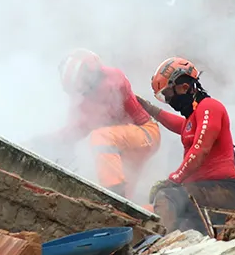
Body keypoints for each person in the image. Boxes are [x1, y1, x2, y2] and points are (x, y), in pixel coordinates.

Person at [137, 57, 235, 233]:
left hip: (222, 189)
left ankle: (163, 244)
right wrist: (151, 109)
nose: (169, 100)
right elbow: (181, 126)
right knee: (179, 221)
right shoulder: (194, 117)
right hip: (204, 189)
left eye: (168, 94)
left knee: (167, 197)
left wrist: (173, 180)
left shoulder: (209, 107)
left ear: (184, 87)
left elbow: (200, 150)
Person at [35, 50, 161, 200]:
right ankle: (118, 202)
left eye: (84, 84)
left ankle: (113, 196)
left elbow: (84, 126)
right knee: (126, 199)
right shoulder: (86, 101)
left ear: (93, 75)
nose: (83, 92)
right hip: (126, 146)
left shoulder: (113, 81)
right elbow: (72, 132)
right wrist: (40, 143)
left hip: (145, 133)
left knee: (101, 138)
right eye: (79, 89)